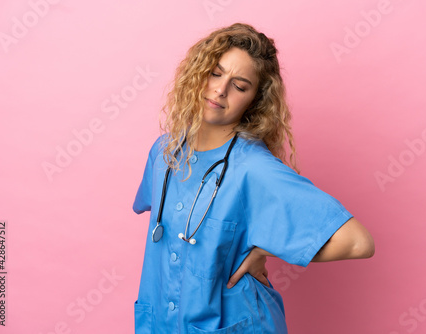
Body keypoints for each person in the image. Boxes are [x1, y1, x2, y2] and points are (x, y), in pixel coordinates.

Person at [132, 22, 375, 334]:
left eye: (240, 85)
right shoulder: (164, 153)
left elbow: (357, 242)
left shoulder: (254, 169)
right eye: (215, 72)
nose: (220, 90)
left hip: (237, 323)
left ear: (254, 101)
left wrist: (265, 250)